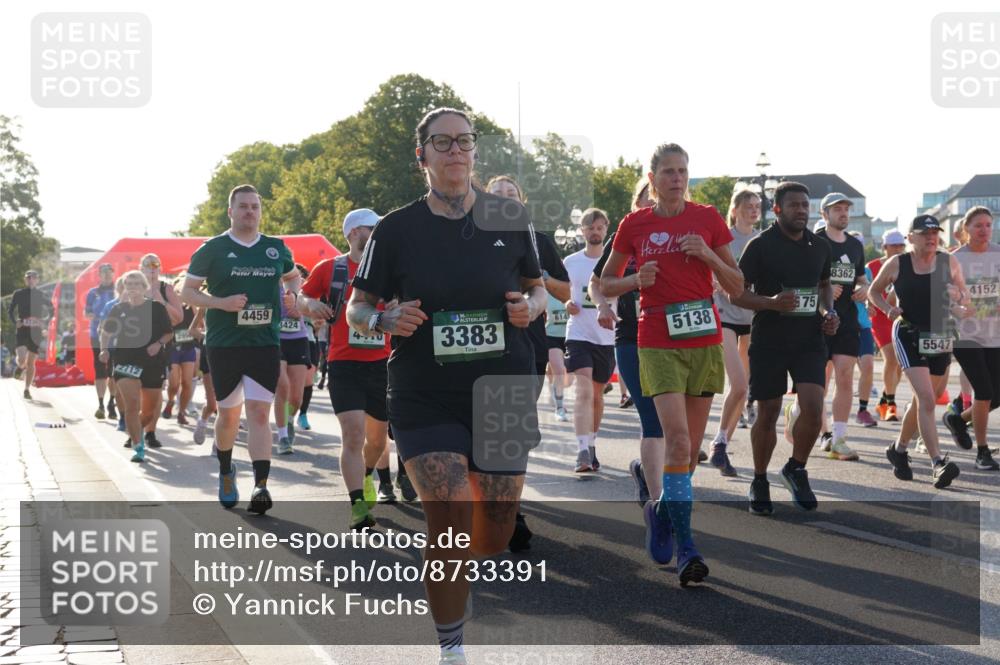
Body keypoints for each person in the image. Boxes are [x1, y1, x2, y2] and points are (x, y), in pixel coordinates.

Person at [346, 107, 545, 665]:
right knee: (450, 514)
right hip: (423, 391)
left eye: (464, 141)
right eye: (443, 142)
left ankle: (460, 574)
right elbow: (357, 309)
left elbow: (538, 290)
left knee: (494, 535)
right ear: (423, 156)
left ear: (474, 150)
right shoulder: (395, 229)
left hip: (502, 387)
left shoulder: (508, 216)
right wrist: (383, 320)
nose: (456, 151)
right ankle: (451, 647)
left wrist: (529, 308)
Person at [600, 143, 743, 586]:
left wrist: (708, 254)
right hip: (656, 341)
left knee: (688, 453)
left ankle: (660, 511)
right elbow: (605, 282)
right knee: (676, 440)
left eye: (683, 171)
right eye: (668, 172)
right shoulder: (634, 224)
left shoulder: (707, 219)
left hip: (703, 340)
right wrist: (633, 281)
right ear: (652, 176)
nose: (677, 179)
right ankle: (688, 548)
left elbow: (736, 285)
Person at [182, 184, 299, 514]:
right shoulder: (213, 249)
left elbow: (292, 277)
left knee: (260, 414)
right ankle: (226, 471)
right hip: (225, 345)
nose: (250, 212)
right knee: (229, 414)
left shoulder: (275, 248)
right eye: (243, 206)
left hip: (264, 343)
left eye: (255, 207)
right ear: (230, 211)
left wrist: (291, 295)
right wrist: (221, 303)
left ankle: (261, 486)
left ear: (260, 212)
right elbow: (188, 292)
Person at [732, 182, 839, 514]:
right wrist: (771, 303)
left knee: (813, 407)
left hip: (809, 339)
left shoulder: (820, 246)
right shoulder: (760, 245)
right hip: (769, 341)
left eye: (805, 205)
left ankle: (796, 467)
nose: (801, 211)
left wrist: (828, 312)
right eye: (794, 205)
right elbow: (738, 293)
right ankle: (760, 479)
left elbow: (823, 286)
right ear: (776, 209)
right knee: (768, 413)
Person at [485, 175, 570, 552]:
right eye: (496, 196)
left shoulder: (539, 241)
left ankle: (510, 510)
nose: (504, 201)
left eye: (511, 196)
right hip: (482, 347)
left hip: (528, 346)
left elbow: (565, 291)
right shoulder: (471, 240)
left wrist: (540, 281)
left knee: (513, 430)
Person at [301, 209, 394, 529]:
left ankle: (366, 475)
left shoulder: (388, 270)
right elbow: (303, 297)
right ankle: (358, 506)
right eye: (373, 229)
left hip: (381, 364)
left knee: (378, 442)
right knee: (353, 435)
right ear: (355, 232)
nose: (378, 235)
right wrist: (311, 305)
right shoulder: (331, 268)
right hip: (344, 363)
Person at [869, 214, 971, 488]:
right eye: (924, 233)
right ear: (910, 237)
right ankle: (938, 463)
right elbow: (874, 291)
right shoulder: (897, 263)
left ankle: (899, 449)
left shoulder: (947, 260)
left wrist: (958, 303)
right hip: (909, 333)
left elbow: (964, 296)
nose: (931, 237)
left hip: (940, 333)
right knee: (926, 398)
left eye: (935, 232)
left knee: (926, 398)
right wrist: (888, 309)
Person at [592, 177, 667, 504]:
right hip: (631, 336)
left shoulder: (675, 235)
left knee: (671, 423)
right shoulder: (624, 237)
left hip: (671, 336)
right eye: (644, 200)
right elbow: (598, 283)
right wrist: (602, 306)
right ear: (635, 205)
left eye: (653, 200)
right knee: (652, 417)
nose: (650, 205)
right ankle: (658, 501)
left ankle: (646, 469)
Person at [706, 187, 761, 475]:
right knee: (739, 384)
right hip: (724, 315)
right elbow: (708, 267)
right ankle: (717, 442)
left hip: (752, 318)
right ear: (735, 208)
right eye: (749, 205)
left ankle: (721, 443)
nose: (754, 210)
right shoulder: (723, 236)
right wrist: (716, 281)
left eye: (757, 206)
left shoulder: (762, 240)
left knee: (741, 390)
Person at [808, 193, 867, 460]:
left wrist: (864, 290)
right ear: (824, 214)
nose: (843, 213)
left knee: (845, 377)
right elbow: (801, 277)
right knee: (818, 382)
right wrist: (824, 288)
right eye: (837, 209)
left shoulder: (855, 245)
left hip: (846, 322)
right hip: (817, 322)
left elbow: (861, 278)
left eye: (846, 209)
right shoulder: (814, 242)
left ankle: (839, 437)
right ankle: (823, 431)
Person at [943, 206, 999, 471]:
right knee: (985, 391)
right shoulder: (954, 259)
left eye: (989, 225)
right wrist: (960, 309)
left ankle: (958, 420)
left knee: (996, 395)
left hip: (995, 334)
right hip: (965, 335)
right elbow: (943, 299)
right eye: (979, 225)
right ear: (966, 228)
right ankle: (983, 451)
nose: (984, 230)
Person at [99, 270, 173, 463]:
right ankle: (138, 446)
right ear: (124, 287)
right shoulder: (118, 309)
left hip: (151, 362)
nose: (132, 288)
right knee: (132, 406)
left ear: (143, 287)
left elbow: (168, 333)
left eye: (136, 284)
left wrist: (157, 345)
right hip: (125, 360)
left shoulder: (156, 308)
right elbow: (105, 332)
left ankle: (136, 429)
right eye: (128, 284)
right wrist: (104, 350)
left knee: (149, 412)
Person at [564, 208, 616, 472]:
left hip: (606, 337)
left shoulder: (614, 262)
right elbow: (564, 293)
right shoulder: (571, 262)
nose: (595, 232)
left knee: (596, 396)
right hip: (579, 334)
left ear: (606, 229)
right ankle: (582, 450)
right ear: (582, 230)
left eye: (599, 227)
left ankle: (592, 444)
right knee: (583, 391)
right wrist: (567, 304)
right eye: (590, 227)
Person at [139, 253, 183, 449]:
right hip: (135, 348)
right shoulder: (134, 288)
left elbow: (178, 318)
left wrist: (161, 301)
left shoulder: (167, 289)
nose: (152, 268)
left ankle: (150, 432)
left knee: (154, 393)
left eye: (155, 265)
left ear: (160, 267)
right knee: (137, 392)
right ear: (141, 268)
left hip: (160, 346)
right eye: (147, 265)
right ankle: (136, 429)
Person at [868, 229, 907, 421]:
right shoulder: (873, 266)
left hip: (899, 318)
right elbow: (867, 291)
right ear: (884, 247)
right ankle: (890, 404)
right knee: (891, 359)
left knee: (899, 364)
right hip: (880, 318)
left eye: (901, 245)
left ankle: (884, 398)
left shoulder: (907, 264)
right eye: (894, 245)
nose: (898, 248)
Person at [273, 265, 311, 455]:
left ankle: (289, 421)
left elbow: (310, 309)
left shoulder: (300, 285)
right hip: (275, 339)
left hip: (297, 339)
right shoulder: (267, 283)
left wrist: (300, 310)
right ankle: (282, 437)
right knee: (283, 386)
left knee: (296, 396)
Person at [848, 232, 879, 427]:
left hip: (863, 325)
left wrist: (870, 306)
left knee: (867, 366)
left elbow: (870, 296)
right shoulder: (835, 266)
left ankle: (862, 410)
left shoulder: (866, 272)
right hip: (840, 325)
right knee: (842, 373)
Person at [8, 270, 53, 399]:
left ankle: (27, 389)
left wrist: (46, 322)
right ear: (25, 280)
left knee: (31, 362)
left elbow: (52, 310)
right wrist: (14, 321)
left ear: (37, 280)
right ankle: (20, 367)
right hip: (22, 329)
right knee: (22, 359)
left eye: (33, 278)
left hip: (36, 331)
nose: (31, 280)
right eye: (28, 278)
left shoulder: (41, 294)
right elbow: (10, 310)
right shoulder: (18, 293)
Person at [163, 276, 198, 426]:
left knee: (187, 382)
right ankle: (171, 401)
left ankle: (182, 412)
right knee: (174, 383)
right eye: (179, 287)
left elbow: (199, 322)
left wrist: (194, 305)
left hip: (188, 347)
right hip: (172, 347)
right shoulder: (170, 306)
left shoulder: (191, 305)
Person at [85, 263, 118, 418]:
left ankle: (112, 402)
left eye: (109, 271)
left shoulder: (118, 290)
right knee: (100, 369)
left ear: (113, 273)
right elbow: (88, 313)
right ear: (99, 275)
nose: (106, 274)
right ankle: (100, 404)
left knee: (113, 370)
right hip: (96, 335)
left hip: (116, 336)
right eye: (103, 272)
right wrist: (101, 318)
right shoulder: (93, 293)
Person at [190, 305, 216, 445]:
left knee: (227, 403)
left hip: (232, 351)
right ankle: (203, 421)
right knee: (212, 404)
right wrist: (207, 336)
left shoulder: (238, 302)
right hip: (210, 352)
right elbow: (191, 330)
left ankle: (219, 445)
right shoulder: (206, 304)